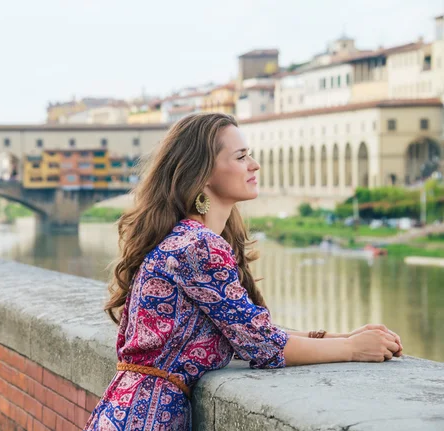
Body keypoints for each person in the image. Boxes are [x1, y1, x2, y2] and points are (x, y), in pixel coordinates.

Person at [83, 113, 403, 431]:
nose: (254, 164)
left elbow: (247, 327)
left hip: (126, 413)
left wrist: (342, 336)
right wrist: (352, 349)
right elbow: (262, 344)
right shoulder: (198, 246)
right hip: (146, 421)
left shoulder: (187, 238)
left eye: (249, 154)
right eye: (241, 156)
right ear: (203, 172)